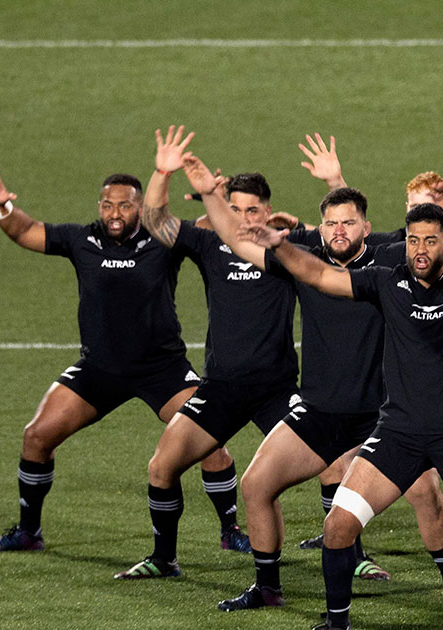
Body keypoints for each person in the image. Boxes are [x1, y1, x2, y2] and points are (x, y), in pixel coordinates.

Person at [184, 162, 443, 613]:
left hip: (385, 414)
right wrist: (210, 197)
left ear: (366, 227)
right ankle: (268, 586)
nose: (339, 230)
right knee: (257, 483)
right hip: (321, 409)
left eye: (349, 222)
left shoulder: (391, 256)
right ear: (320, 229)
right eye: (331, 223)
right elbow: (239, 242)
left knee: (426, 494)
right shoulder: (302, 253)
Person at [250, 197, 443, 630]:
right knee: (338, 526)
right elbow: (319, 274)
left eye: (430, 240)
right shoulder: (385, 281)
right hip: (398, 433)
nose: (419, 248)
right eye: (413, 238)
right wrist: (281, 246)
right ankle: (337, 628)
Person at [0, 166, 240, 554]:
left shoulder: (164, 236)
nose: (115, 213)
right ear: (99, 205)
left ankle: (230, 530)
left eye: (125, 206)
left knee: (211, 440)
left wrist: (216, 197)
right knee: (36, 436)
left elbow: (216, 230)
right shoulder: (82, 240)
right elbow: (25, 231)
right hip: (99, 370)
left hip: (162, 369)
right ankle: (29, 532)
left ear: (140, 206)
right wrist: (2, 206)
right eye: (108, 205)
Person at [117, 127, 315, 579]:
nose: (244, 218)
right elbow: (155, 221)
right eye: (236, 209)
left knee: (336, 463)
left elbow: (341, 244)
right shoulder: (208, 244)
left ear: (268, 211)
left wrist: (299, 225)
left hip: (276, 389)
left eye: (253, 210)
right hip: (221, 388)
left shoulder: (289, 249)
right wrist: (162, 172)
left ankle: (353, 557)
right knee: (162, 467)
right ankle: (164, 558)